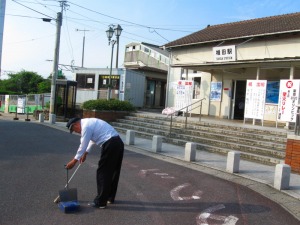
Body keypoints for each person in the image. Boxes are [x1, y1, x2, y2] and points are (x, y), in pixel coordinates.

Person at [65, 117, 124, 209]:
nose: (76, 132)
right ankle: (109, 197)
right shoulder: (89, 123)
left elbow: (83, 145)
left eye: (74, 130)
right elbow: (91, 140)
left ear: (75, 124)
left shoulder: (86, 127)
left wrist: (74, 161)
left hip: (110, 144)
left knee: (102, 172)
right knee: (112, 172)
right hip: (117, 143)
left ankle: (100, 202)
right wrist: (85, 153)